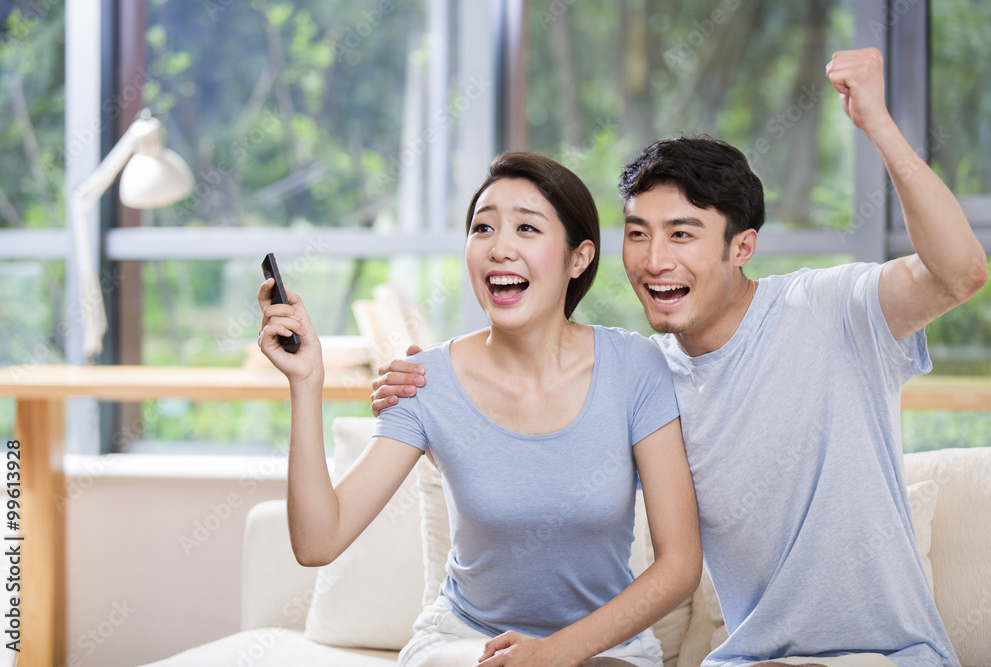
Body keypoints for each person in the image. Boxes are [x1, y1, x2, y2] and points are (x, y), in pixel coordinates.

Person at [370, 48, 987, 667]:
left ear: (741, 245)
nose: (654, 260)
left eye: (682, 234)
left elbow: (960, 274)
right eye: (638, 233)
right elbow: (539, 377)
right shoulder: (647, 376)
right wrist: (434, 376)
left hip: (885, 656)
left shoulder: (830, 309)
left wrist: (877, 122)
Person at [258, 151, 702, 667]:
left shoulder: (634, 369)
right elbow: (318, 541)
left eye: (527, 230)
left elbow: (680, 564)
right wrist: (307, 382)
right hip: (464, 646)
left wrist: (555, 653)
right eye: (483, 228)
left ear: (578, 258)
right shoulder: (427, 381)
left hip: (604, 651)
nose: (499, 249)